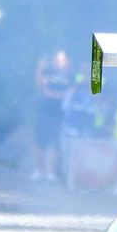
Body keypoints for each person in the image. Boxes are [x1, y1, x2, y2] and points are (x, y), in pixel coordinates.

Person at [33, 49, 73, 182]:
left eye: (63, 59)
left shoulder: (70, 76)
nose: (60, 62)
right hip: (44, 110)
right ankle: (39, 171)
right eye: (58, 59)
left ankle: (50, 173)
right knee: (40, 140)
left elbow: (70, 91)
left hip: (60, 112)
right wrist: (40, 68)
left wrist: (58, 95)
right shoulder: (47, 71)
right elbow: (41, 85)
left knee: (55, 142)